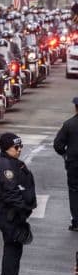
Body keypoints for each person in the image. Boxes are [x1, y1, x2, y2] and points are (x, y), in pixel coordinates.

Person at [0, 133, 36, 275]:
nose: (19, 150)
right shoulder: (5, 165)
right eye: (16, 147)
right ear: (6, 148)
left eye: (20, 146)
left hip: (12, 213)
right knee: (13, 248)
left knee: (14, 247)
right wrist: (22, 210)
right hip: (9, 213)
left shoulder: (11, 162)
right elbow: (11, 193)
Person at [52, 96, 78, 231]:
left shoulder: (69, 124)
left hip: (74, 163)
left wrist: (64, 154)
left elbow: (57, 144)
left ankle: (76, 222)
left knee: (74, 191)